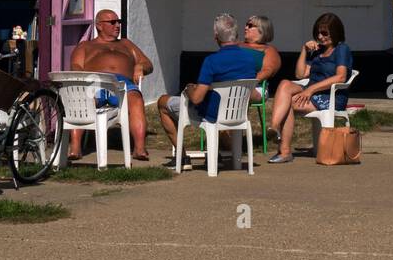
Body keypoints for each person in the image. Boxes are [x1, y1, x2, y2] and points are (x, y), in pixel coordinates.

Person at [157, 13, 261, 163]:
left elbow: (197, 98)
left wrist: (189, 89)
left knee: (162, 102)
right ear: (236, 35)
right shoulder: (250, 60)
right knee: (212, 99)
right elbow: (253, 94)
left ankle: (182, 157)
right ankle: (215, 153)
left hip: (211, 114)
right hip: (237, 114)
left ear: (216, 36)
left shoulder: (211, 61)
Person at [267, 13, 353, 164]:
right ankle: (274, 127)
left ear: (335, 32)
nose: (320, 36)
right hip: (312, 92)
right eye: (318, 33)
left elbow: (341, 77)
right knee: (285, 84)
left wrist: (310, 90)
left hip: (330, 96)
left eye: (324, 33)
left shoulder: (341, 49)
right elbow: (300, 74)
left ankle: (284, 150)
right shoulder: (318, 51)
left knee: (288, 104)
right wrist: (304, 50)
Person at [68, 10, 153, 161]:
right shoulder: (86, 46)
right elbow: (75, 66)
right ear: (99, 25)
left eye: (118, 21)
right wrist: (85, 79)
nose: (117, 25)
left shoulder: (126, 44)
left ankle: (139, 149)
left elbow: (148, 64)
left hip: (122, 84)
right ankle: (75, 148)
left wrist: (140, 67)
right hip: (95, 82)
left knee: (136, 99)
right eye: (112, 22)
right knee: (82, 99)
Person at [240, 14, 281, 100]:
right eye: (246, 25)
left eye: (250, 26)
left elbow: (268, 70)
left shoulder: (268, 49)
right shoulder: (237, 45)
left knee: (238, 91)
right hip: (229, 83)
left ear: (261, 30)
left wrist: (246, 83)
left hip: (254, 87)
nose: (246, 28)